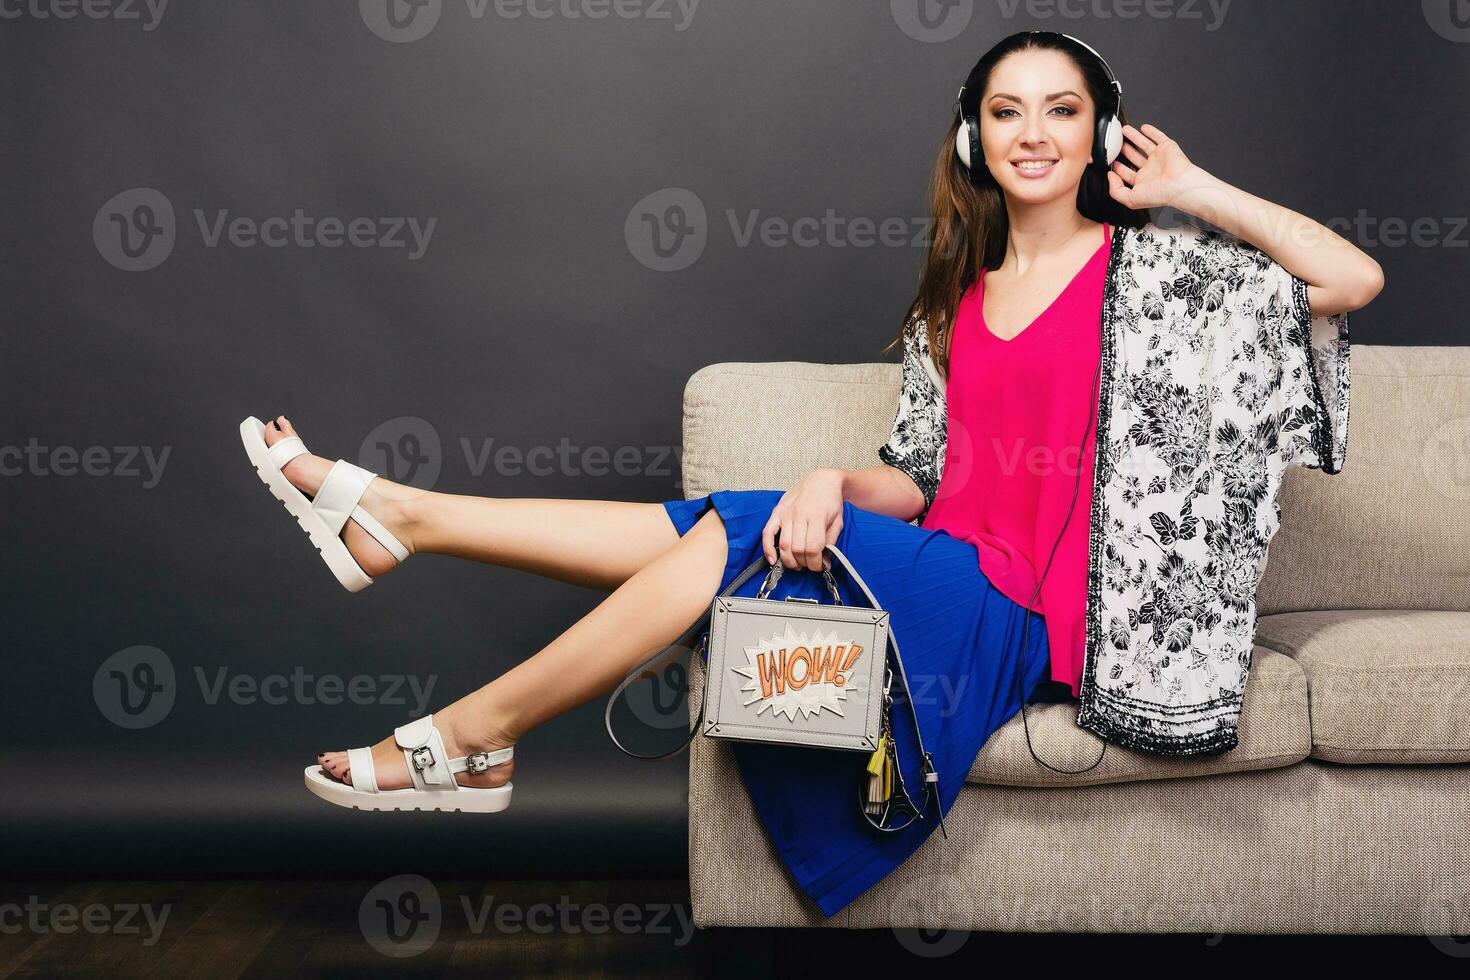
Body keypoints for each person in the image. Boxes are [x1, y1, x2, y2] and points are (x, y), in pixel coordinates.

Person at [240, 32, 1382, 917]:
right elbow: (923, 479)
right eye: (1007, 111)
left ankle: (447, 632)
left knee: (726, 532)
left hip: (1030, 618)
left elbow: (1350, 279)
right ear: (976, 139)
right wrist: (833, 478)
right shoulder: (959, 301)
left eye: (1064, 111)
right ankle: (420, 554)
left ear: (1101, 134)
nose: (1035, 133)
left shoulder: (1161, 277)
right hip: (945, 564)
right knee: (745, 517)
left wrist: (1189, 187)